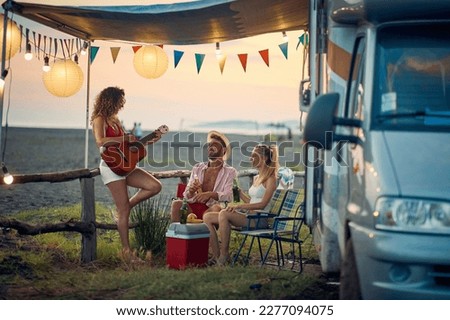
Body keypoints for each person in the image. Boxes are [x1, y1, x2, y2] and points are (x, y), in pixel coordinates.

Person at [91, 86, 162, 262]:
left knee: (155, 186)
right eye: (119, 102)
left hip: (125, 164)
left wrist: (150, 139)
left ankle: (126, 207)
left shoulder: (115, 119)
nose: (121, 106)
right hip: (110, 167)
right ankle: (126, 253)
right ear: (110, 101)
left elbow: (126, 145)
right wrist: (124, 138)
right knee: (123, 213)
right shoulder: (99, 119)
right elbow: (100, 141)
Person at [203, 144, 279, 265]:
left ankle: (224, 255)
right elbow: (252, 202)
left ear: (264, 158)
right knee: (207, 217)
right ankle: (217, 257)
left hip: (259, 219)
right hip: (249, 216)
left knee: (224, 213)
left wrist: (238, 206)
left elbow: (262, 205)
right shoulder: (257, 178)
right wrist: (240, 192)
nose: (250, 159)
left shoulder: (271, 179)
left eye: (254, 156)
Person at [170, 130, 237, 221]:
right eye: (209, 145)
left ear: (224, 149)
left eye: (214, 145)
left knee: (216, 208)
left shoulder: (230, 172)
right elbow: (186, 195)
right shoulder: (197, 168)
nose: (210, 147)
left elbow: (228, 196)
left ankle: (205, 234)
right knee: (177, 203)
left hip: (211, 209)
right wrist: (191, 191)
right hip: (193, 207)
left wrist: (210, 194)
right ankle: (176, 234)